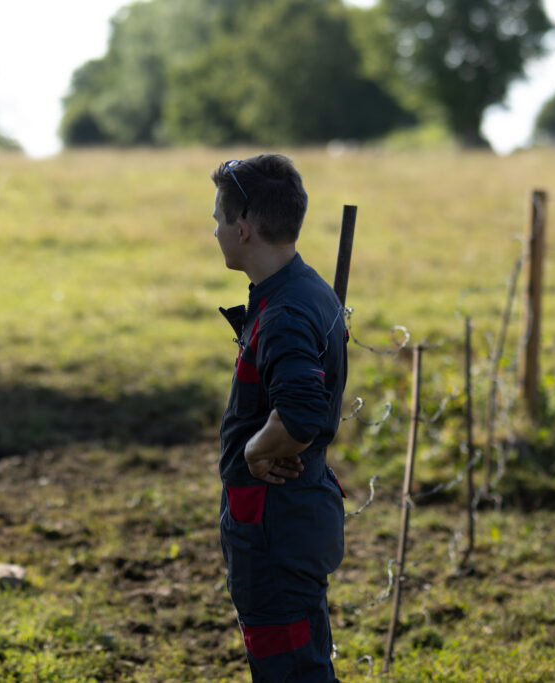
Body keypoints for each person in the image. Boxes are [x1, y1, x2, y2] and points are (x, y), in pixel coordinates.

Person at [211, 155, 348, 682]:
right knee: (302, 662)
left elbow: (301, 412)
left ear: (243, 228)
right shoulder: (306, 286)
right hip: (294, 517)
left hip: (274, 528)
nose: (216, 231)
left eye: (219, 219)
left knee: (290, 671)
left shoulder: (285, 311)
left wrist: (255, 450)